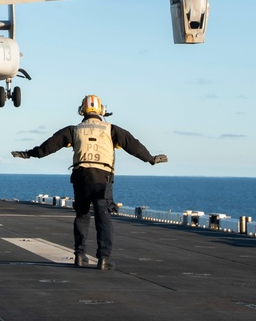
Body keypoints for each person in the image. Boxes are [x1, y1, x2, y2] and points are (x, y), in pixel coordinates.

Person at [11, 94, 167, 271]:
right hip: (103, 178)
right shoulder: (111, 129)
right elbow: (133, 145)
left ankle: (79, 255)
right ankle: (103, 258)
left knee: (82, 216)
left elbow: (48, 147)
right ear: (101, 111)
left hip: (81, 177)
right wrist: (151, 159)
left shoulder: (74, 130)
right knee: (104, 218)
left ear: (82, 110)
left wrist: (28, 154)